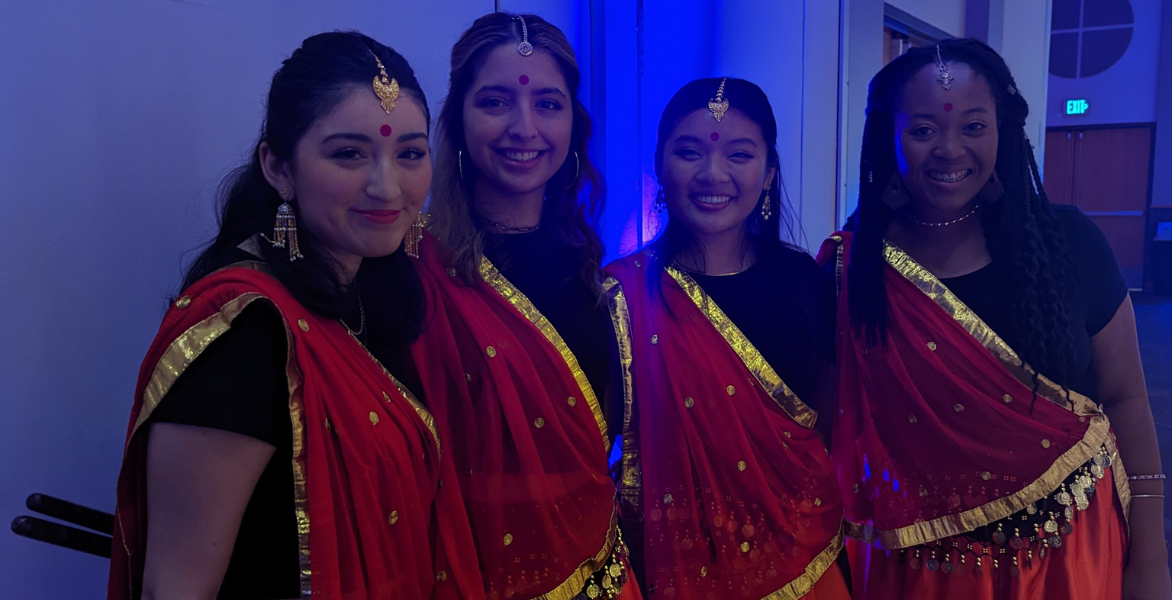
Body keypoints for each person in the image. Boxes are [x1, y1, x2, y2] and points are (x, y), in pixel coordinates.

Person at [108, 31, 482, 600]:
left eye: (409, 153)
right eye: (349, 153)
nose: (387, 187)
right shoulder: (244, 333)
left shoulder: (370, 295)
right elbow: (174, 588)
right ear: (278, 168)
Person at [820, 38, 1171, 599]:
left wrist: (1150, 557)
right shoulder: (856, 264)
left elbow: (1126, 398)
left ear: (1002, 131)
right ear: (889, 136)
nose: (949, 149)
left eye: (974, 126)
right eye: (923, 129)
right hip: (922, 568)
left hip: (1067, 558)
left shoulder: (1067, 242)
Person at [410, 13, 639, 600]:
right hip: (468, 572)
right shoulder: (412, 265)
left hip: (600, 570)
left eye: (548, 104)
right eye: (495, 102)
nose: (524, 128)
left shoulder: (589, 260)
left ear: (573, 122)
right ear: (457, 119)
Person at [605, 77, 849, 600]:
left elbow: (827, 424)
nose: (713, 174)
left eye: (739, 154)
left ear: (769, 172)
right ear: (659, 165)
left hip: (806, 554)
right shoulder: (621, 295)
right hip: (678, 566)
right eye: (689, 152)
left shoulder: (805, 281)